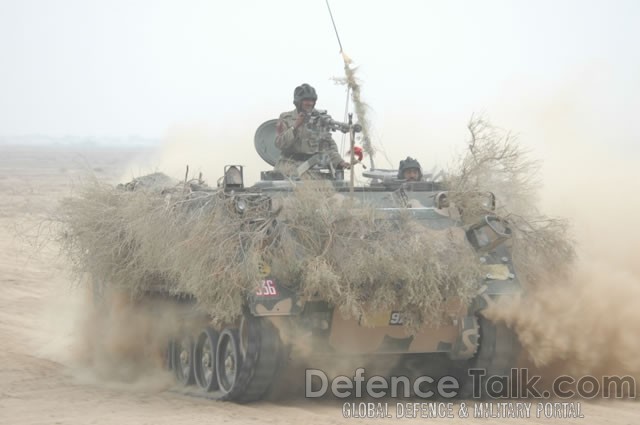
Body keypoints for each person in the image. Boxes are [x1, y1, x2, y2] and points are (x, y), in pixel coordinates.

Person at [274, 83, 350, 176]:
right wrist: (295, 126)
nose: (309, 103)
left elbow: (328, 147)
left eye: (312, 100)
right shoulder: (286, 118)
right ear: (298, 101)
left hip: (312, 169)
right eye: (306, 100)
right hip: (288, 169)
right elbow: (279, 143)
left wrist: (339, 162)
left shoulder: (320, 119)